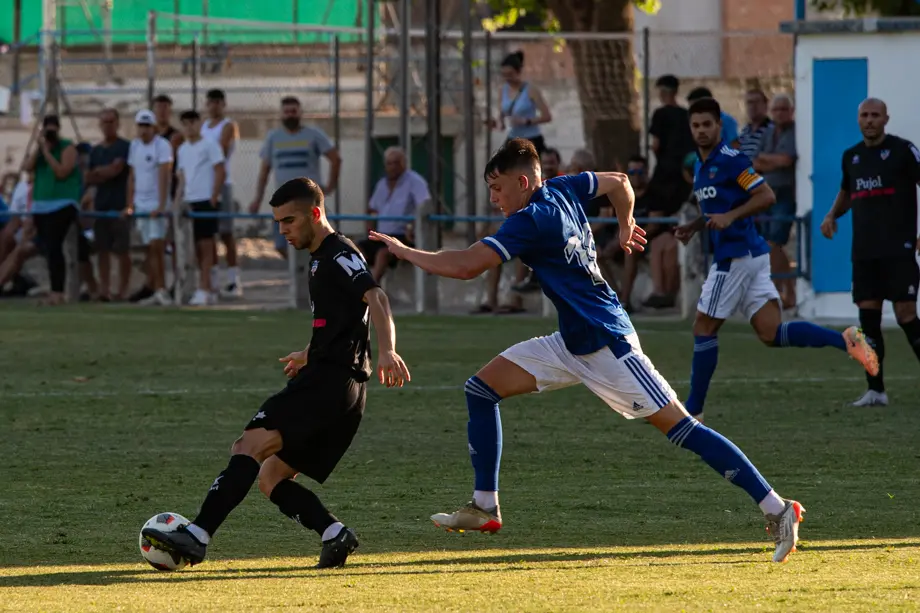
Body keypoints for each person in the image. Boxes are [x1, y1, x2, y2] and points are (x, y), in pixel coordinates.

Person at [370, 137, 804, 563]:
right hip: (570, 343)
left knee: (683, 429)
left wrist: (407, 252)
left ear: (523, 183)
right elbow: (619, 182)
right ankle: (485, 506)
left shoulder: (532, 218)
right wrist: (625, 222)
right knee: (480, 389)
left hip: (607, 345)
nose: (493, 197)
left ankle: (779, 509)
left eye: (497, 188)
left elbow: (466, 265)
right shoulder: (562, 187)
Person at [142, 178, 410, 569]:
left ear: (315, 214)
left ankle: (197, 535)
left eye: (289, 221)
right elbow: (342, 319)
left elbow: (376, 296)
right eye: (278, 222)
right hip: (340, 387)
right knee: (271, 478)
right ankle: (334, 534)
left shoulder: (338, 253)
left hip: (328, 383)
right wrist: (307, 352)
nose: (282, 230)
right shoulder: (319, 257)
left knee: (247, 446)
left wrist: (388, 350)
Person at [672, 97, 878, 422]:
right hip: (752, 256)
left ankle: (692, 410)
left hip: (736, 257)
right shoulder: (700, 165)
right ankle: (846, 340)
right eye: (695, 125)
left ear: (718, 126)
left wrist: (730, 216)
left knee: (703, 327)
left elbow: (766, 195)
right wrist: (695, 226)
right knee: (771, 334)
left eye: (707, 124)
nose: (701, 130)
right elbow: (716, 209)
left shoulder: (731, 160)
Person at [820, 97, 920, 407]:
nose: (869, 120)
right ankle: (875, 390)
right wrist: (831, 215)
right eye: (864, 115)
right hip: (864, 252)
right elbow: (848, 191)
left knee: (906, 315)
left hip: (899, 248)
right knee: (868, 320)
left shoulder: (904, 150)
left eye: (875, 115)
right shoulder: (851, 156)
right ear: (858, 119)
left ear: (886, 119)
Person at [249, 96, 342, 258]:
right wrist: (257, 199)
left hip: (308, 201)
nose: (290, 115)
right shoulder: (273, 137)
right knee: (280, 245)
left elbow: (336, 159)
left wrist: (330, 186)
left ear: (300, 113)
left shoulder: (313, 134)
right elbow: (264, 171)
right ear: (281, 114)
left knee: (316, 243)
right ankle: (299, 273)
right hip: (283, 203)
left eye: (293, 111)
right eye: (286, 112)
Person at [22, 114, 91, 305]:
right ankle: (55, 289)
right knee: (47, 248)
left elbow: (62, 172)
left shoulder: (67, 147)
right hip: (41, 205)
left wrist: (49, 153)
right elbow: (28, 167)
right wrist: (40, 147)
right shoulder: (42, 149)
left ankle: (57, 292)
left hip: (62, 204)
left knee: (55, 247)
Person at [175, 109, 226, 306]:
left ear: (199, 123)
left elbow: (219, 169)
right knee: (196, 247)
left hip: (205, 200)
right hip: (190, 201)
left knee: (206, 246)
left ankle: (204, 288)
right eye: (185, 123)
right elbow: (181, 177)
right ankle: (209, 286)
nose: (189, 127)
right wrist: (177, 200)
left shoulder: (209, 145)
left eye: (192, 122)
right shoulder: (182, 149)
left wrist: (214, 195)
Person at [359, 146, 429, 282]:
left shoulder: (415, 182)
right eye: (389, 163)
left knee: (383, 254)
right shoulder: (381, 184)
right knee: (354, 249)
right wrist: (370, 227)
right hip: (381, 235)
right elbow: (372, 209)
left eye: (396, 163)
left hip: (403, 236)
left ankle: (370, 289)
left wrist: (412, 226)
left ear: (404, 163)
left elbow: (425, 207)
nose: (392, 167)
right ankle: (357, 284)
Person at [126, 109, 173, 307]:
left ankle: (162, 289)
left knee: (157, 246)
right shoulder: (135, 146)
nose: (143, 130)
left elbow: (164, 175)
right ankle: (155, 288)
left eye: (147, 126)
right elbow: (132, 176)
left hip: (155, 203)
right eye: (141, 126)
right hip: (141, 203)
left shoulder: (162, 146)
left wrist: (161, 205)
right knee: (149, 248)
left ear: (153, 127)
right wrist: (129, 203)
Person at [84, 108, 131, 301]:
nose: (107, 126)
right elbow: (88, 177)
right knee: (102, 250)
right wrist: (104, 172)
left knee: (122, 250)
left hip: (120, 206)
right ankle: (104, 290)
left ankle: (122, 290)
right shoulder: (96, 151)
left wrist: (100, 173)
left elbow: (117, 170)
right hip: (101, 207)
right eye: (104, 122)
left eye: (111, 122)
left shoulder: (125, 147)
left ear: (118, 124)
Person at [201, 88, 242, 299]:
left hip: (222, 183)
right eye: (211, 102)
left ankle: (234, 280)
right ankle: (214, 281)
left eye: (218, 102)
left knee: (226, 233)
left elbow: (220, 151)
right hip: (204, 185)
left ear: (223, 104)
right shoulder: (203, 127)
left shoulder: (228, 126)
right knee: (210, 234)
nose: (214, 105)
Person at [490, 51, 552, 154]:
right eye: (504, 75)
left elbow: (547, 116)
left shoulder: (531, 90)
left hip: (531, 138)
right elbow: (502, 115)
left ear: (518, 72)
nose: (507, 78)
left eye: (510, 74)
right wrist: (497, 123)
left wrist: (526, 121)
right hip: (513, 138)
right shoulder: (503, 90)